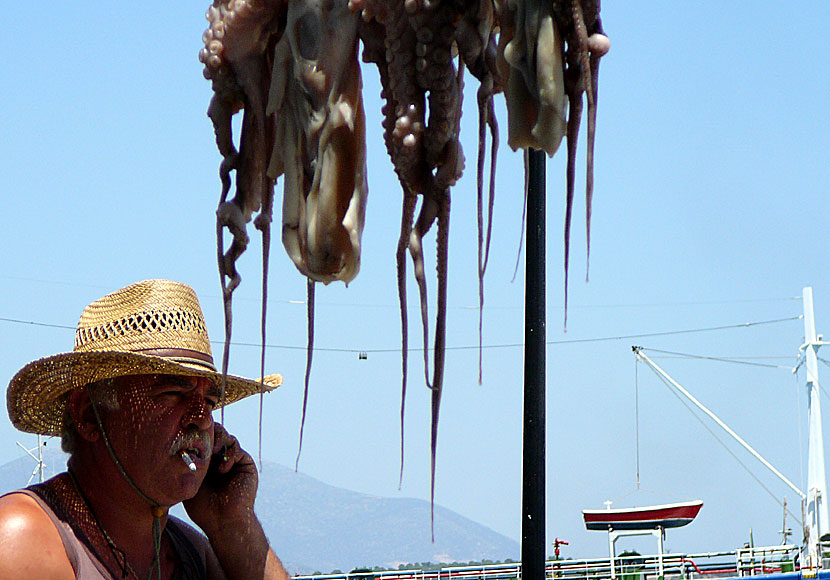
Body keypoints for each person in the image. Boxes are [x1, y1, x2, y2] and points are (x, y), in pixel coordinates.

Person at [0, 279, 290, 580]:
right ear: (89, 414)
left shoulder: (192, 552)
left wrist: (232, 522)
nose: (201, 418)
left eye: (209, 400)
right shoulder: (24, 538)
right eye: (172, 394)